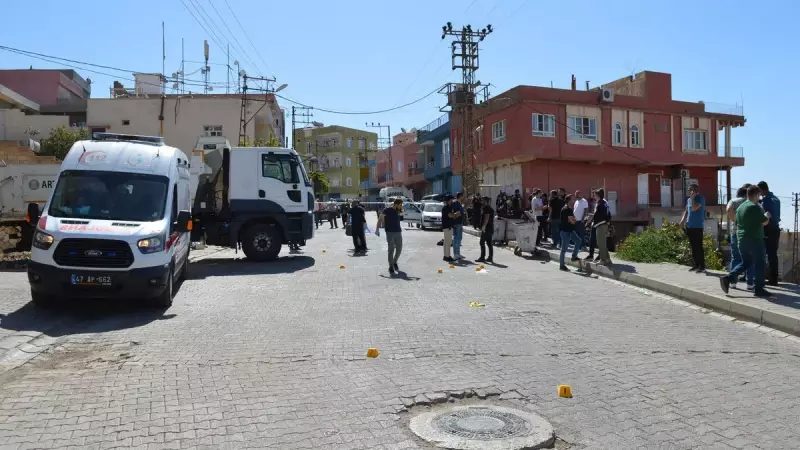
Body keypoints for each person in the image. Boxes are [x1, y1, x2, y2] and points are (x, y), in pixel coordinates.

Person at [720, 185, 772, 297]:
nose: (760, 197)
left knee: (746, 262)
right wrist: (767, 216)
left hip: (741, 240)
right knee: (760, 264)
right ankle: (759, 289)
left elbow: (737, 222)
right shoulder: (755, 207)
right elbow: (764, 222)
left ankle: (728, 278)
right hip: (755, 240)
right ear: (757, 195)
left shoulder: (740, 208)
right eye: (759, 195)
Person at [726, 184, 755, 290]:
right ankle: (750, 283)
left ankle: (733, 282)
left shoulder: (733, 201)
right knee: (750, 259)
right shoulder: (751, 203)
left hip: (736, 233)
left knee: (735, 258)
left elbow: (729, 209)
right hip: (749, 234)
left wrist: (736, 221)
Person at [757, 181, 781, 286]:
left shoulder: (766, 201)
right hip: (775, 229)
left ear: (762, 190)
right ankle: (774, 278)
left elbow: (764, 216)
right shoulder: (776, 199)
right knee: (773, 255)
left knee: (762, 254)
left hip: (768, 229)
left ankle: (762, 278)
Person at [679, 183, 706, 272]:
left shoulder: (700, 198)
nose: (689, 191)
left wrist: (693, 197)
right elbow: (687, 211)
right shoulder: (689, 200)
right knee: (693, 246)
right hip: (689, 226)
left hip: (697, 226)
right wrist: (682, 221)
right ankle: (696, 265)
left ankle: (702, 266)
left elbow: (694, 208)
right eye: (689, 190)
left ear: (696, 191)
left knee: (698, 246)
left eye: (691, 190)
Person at [376, 199, 404, 274]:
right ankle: (391, 266)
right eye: (400, 204)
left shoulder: (399, 210)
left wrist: (400, 209)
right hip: (390, 232)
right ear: (396, 204)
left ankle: (394, 262)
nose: (401, 206)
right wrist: (377, 229)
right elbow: (380, 219)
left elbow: (402, 214)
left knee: (399, 249)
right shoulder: (387, 210)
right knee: (391, 249)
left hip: (398, 231)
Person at [558, 194, 583, 271]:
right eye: (572, 199)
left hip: (570, 230)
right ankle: (562, 265)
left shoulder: (569, 209)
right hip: (565, 231)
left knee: (578, 241)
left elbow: (572, 220)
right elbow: (573, 220)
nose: (573, 201)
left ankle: (574, 256)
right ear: (568, 200)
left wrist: (574, 221)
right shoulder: (566, 209)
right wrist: (575, 221)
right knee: (564, 249)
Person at [592, 188, 613, 265]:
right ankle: (607, 259)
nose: (594, 197)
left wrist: (595, 218)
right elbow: (608, 214)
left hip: (601, 224)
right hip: (603, 224)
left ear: (598, 195)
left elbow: (602, 214)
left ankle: (603, 260)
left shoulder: (601, 203)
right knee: (603, 243)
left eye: (595, 195)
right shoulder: (604, 202)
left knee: (600, 243)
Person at [476, 196, 495, 263]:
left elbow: (486, 218)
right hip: (490, 228)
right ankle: (490, 257)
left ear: (486, 201)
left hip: (487, 228)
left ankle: (482, 257)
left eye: (483, 201)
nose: (482, 202)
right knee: (489, 243)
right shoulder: (490, 208)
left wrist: (483, 227)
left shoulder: (487, 209)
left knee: (481, 242)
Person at [441, 195, 455, 262]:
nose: (452, 201)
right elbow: (450, 215)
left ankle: (446, 255)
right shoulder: (446, 208)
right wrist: (456, 214)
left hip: (447, 226)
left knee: (446, 242)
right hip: (448, 227)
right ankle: (447, 256)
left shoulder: (448, 207)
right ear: (448, 200)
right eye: (451, 200)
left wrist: (453, 215)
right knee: (448, 242)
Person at [452, 192, 465, 260]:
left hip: (460, 223)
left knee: (459, 239)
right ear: (460, 196)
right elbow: (453, 213)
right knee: (456, 239)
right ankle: (455, 254)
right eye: (462, 196)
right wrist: (458, 213)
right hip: (456, 223)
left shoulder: (460, 204)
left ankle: (458, 253)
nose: (463, 197)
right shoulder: (455, 203)